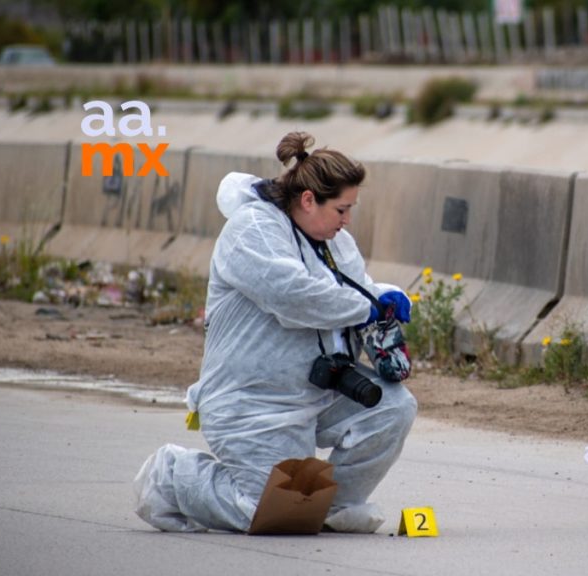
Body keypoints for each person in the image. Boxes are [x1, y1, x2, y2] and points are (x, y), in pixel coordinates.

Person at [133, 131, 416, 534]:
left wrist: (384, 297)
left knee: (393, 408)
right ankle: (172, 478)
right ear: (307, 200)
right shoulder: (252, 230)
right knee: (269, 515)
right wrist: (369, 302)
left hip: (317, 391)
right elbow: (295, 296)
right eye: (342, 209)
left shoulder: (337, 242)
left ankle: (331, 508)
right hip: (251, 401)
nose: (347, 220)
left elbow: (354, 288)